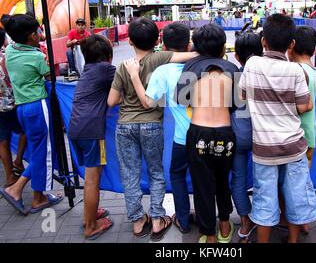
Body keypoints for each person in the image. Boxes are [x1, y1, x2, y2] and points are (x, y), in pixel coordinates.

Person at [107, 18, 197, 241]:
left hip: (125, 125)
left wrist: (128, 94)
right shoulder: (159, 58)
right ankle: (157, 219)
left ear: (129, 41)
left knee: (130, 174)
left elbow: (111, 101)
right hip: (151, 125)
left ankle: (138, 221)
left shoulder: (123, 66)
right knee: (156, 172)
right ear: (157, 41)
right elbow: (192, 55)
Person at [239, 14, 316, 243]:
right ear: (292, 44)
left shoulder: (253, 64)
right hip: (293, 147)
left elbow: (243, 94)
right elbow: (304, 106)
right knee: (295, 195)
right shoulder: (296, 71)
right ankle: (293, 241)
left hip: (264, 148)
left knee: (265, 197)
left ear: (263, 40)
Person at [175, 23, 239, 243]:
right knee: (223, 181)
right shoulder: (232, 69)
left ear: (197, 46)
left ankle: (209, 236)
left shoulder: (190, 67)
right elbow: (239, 103)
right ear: (223, 46)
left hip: (198, 133)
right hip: (225, 134)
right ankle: (224, 226)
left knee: (202, 186)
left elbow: (181, 99)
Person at [0, 14, 63, 215]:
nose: (41, 34)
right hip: (37, 106)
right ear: (32, 36)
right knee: (43, 153)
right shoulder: (36, 56)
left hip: (22, 108)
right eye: (38, 31)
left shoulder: (10, 50)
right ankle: (20, 191)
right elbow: (49, 73)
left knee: (38, 151)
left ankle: (38, 195)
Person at [68, 35, 115, 240]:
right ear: (108, 56)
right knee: (92, 180)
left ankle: (90, 214)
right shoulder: (105, 69)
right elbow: (131, 74)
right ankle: (90, 226)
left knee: (90, 178)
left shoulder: (87, 69)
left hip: (76, 129)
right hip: (93, 132)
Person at [231, 32, 263, 243]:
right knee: (265, 182)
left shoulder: (233, 78)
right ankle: (266, 220)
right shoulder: (268, 76)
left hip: (238, 136)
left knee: (239, 180)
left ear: (237, 57)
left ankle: (244, 221)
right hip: (265, 137)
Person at [288, 26, 316, 168]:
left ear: (291, 46)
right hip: (309, 133)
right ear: (314, 51)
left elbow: (302, 106)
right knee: (303, 181)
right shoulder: (313, 71)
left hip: (298, 137)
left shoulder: (297, 72)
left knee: (295, 183)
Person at [0, 28, 26, 188]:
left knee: (3, 141)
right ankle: (18, 161)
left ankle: (10, 176)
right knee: (26, 131)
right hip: (13, 104)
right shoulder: (6, 59)